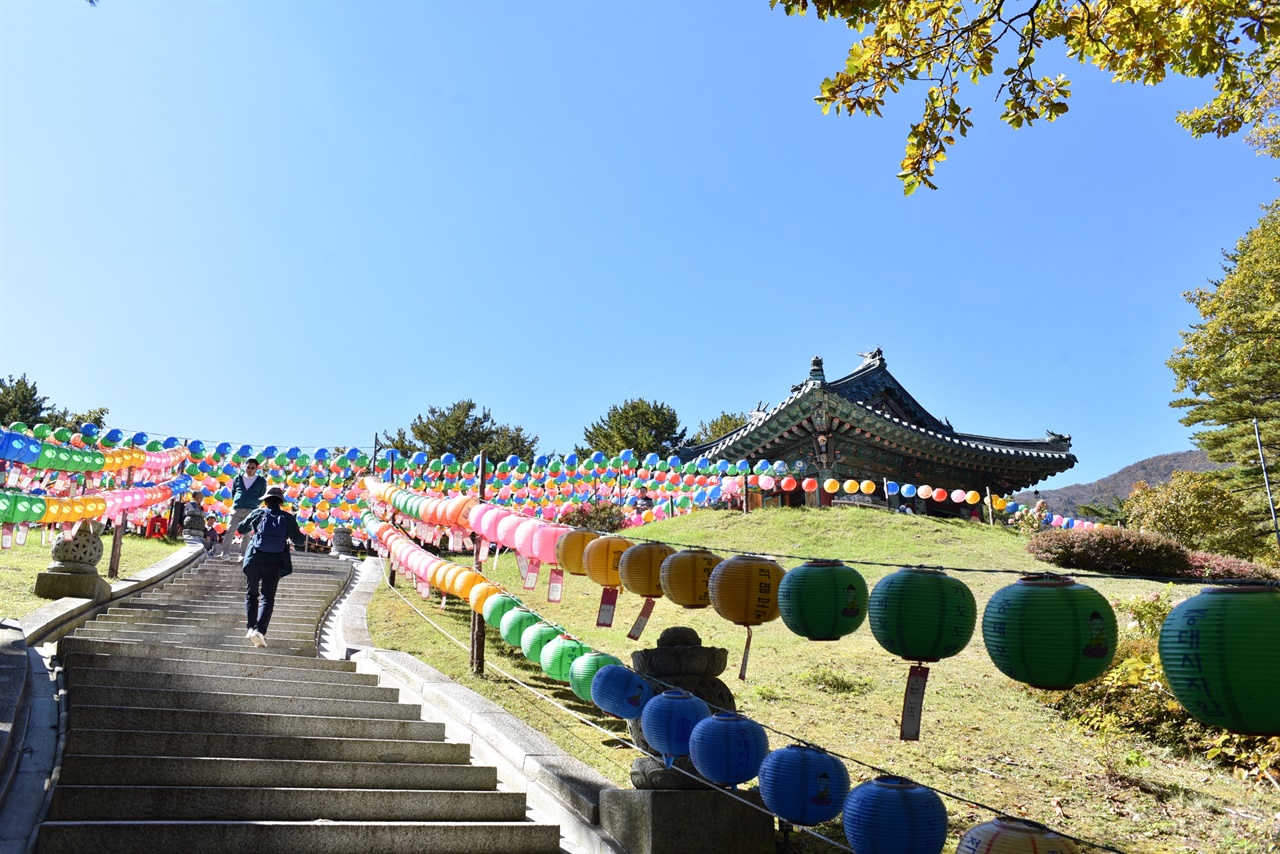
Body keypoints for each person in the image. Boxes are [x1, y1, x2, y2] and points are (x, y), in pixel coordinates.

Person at [236, 486, 305, 647]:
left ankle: (251, 626)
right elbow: (299, 541)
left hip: (254, 559)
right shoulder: (288, 518)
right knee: (267, 597)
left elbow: (240, 529)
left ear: (266, 501)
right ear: (281, 502)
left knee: (252, 594)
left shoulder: (258, 513)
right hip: (274, 561)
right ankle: (259, 631)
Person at [215, 458, 266, 559]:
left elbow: (262, 495)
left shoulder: (261, 481)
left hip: (251, 510)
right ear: (245, 467)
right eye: (248, 467)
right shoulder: (238, 478)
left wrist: (254, 503)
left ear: (256, 469)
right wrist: (238, 501)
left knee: (247, 533)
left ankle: (243, 555)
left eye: (252, 468)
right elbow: (234, 492)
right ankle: (225, 553)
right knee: (230, 529)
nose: (250, 469)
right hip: (237, 508)